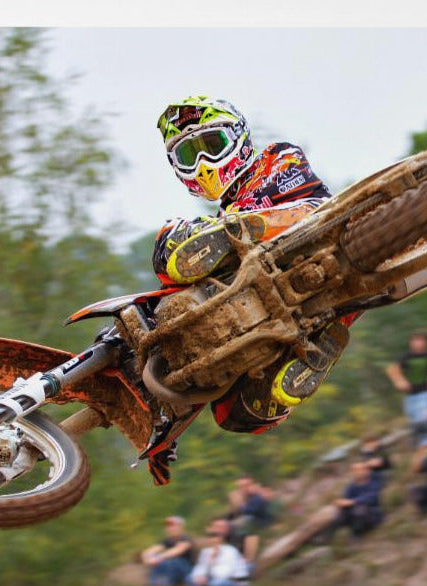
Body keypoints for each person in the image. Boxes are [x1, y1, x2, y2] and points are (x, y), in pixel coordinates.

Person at [146, 96, 356, 479]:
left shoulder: (276, 159)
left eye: (212, 146)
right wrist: (161, 434)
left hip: (310, 225)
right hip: (311, 304)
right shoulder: (220, 212)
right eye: (189, 156)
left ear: (239, 139)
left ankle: (243, 232)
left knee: (174, 239)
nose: (205, 163)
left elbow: (312, 198)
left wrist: (238, 227)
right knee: (235, 415)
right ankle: (308, 355)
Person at [186, 519, 250, 586]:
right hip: (215, 577)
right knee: (191, 578)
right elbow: (200, 567)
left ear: (221, 539)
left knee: (215, 584)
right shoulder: (206, 552)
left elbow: (224, 574)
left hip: (233, 581)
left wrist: (213, 561)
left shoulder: (230, 551)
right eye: (210, 537)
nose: (213, 539)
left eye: (216, 537)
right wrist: (199, 576)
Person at [386, 332, 427, 426]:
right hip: (410, 395)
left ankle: (426, 440)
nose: (418, 343)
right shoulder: (406, 357)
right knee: (413, 422)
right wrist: (399, 381)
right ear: (410, 342)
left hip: (426, 392)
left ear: (426, 342)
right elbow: (392, 370)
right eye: (415, 340)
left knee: (423, 419)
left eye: (420, 340)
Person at [327, 462, 387, 540]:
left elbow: (373, 497)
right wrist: (340, 502)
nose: (358, 472)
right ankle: (329, 536)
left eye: (361, 469)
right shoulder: (351, 486)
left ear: (367, 471)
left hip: (371, 513)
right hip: (353, 514)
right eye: (355, 470)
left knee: (360, 510)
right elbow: (345, 499)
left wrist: (353, 502)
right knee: (338, 513)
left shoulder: (373, 482)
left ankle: (356, 535)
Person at [226, 477, 273, 569]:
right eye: (240, 486)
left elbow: (250, 512)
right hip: (248, 524)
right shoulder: (247, 498)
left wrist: (239, 504)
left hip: (260, 523)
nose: (243, 488)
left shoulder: (257, 498)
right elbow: (231, 516)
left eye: (245, 486)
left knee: (245, 522)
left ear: (252, 485)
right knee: (228, 526)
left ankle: (248, 560)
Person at [141, 515, 196, 586]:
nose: (171, 528)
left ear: (181, 527)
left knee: (171, 561)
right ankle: (155, 583)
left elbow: (178, 550)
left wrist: (157, 558)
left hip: (186, 569)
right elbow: (149, 551)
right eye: (169, 526)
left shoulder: (186, 539)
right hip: (171, 568)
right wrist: (147, 558)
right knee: (162, 561)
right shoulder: (167, 541)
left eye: (173, 526)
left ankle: (167, 582)